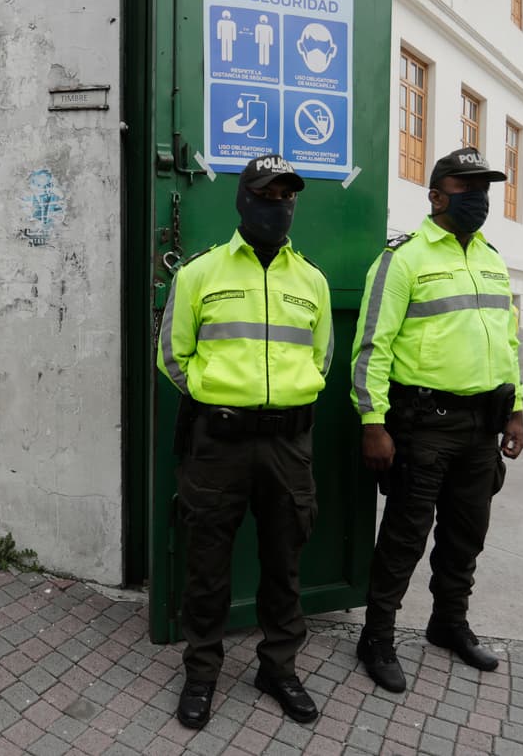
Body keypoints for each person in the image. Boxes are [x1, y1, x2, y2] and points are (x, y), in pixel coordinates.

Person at [156, 154, 331, 729]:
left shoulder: (312, 280)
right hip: (220, 443)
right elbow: (172, 355)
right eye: (266, 193)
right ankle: (202, 671)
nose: (278, 205)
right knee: (207, 565)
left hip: (288, 446)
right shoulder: (200, 273)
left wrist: (282, 401)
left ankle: (278, 667)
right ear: (243, 199)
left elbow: (321, 359)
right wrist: (214, 399)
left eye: (287, 195)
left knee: (285, 563)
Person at [350, 147, 523, 694]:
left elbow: (507, 342)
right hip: (423, 424)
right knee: (404, 537)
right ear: (435, 195)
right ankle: (377, 636)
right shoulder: (402, 259)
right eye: (466, 187)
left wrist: (515, 410)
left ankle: (448, 623)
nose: (477, 198)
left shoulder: (493, 259)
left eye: (484, 189)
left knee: (466, 535)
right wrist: (373, 423)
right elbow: (371, 348)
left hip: (481, 427)